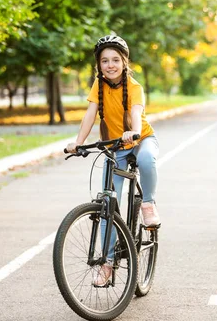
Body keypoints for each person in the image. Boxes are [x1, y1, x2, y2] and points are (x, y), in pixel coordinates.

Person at [66, 34, 160, 286]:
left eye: (115, 59)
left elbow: (136, 113)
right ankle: (107, 262)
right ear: (98, 65)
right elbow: (89, 115)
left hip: (140, 140)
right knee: (108, 203)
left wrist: (134, 132)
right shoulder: (98, 87)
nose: (110, 65)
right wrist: (77, 142)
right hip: (114, 146)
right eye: (104, 60)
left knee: (148, 159)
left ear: (124, 62)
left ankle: (148, 204)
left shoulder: (135, 86)